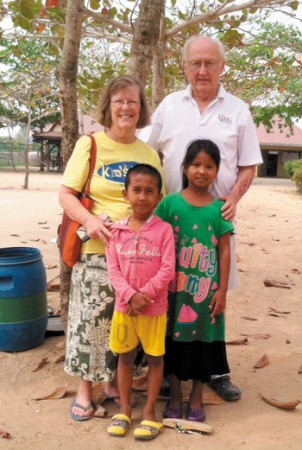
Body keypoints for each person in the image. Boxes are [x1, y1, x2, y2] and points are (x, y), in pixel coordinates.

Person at [140, 35, 263, 401]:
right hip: (169, 224)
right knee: (170, 294)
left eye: (210, 63)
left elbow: (249, 165)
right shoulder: (168, 106)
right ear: (185, 66)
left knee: (212, 294)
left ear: (223, 65)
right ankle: (167, 371)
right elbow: (145, 153)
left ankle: (216, 370)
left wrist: (232, 200)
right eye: (196, 63)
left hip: (213, 223)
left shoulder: (238, 110)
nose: (203, 70)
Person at [58, 75, 164, 421]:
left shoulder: (148, 153)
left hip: (140, 260)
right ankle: (86, 389)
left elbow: (158, 205)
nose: (126, 108)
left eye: (133, 101)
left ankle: (114, 385)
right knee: (93, 322)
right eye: (119, 101)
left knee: (126, 324)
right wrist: (89, 222)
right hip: (96, 254)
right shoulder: (90, 145)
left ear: (141, 109)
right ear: (108, 106)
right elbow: (65, 194)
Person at [155, 139, 234, 422]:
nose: (202, 171)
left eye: (209, 166)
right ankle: (175, 394)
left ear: (216, 171)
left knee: (203, 346)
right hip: (173, 295)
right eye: (196, 165)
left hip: (205, 295)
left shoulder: (219, 209)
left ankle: (197, 396)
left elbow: (224, 250)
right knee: (172, 344)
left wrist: (222, 291)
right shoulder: (169, 204)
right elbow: (155, 241)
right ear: (185, 168)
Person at [106, 164, 175, 439]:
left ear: (159, 197)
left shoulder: (164, 231)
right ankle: (124, 410)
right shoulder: (116, 231)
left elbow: (168, 268)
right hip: (125, 310)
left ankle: (149, 413)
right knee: (124, 358)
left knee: (155, 359)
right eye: (137, 190)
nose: (143, 197)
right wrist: (130, 296)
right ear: (125, 194)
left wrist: (144, 295)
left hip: (154, 310)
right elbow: (113, 270)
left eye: (150, 191)